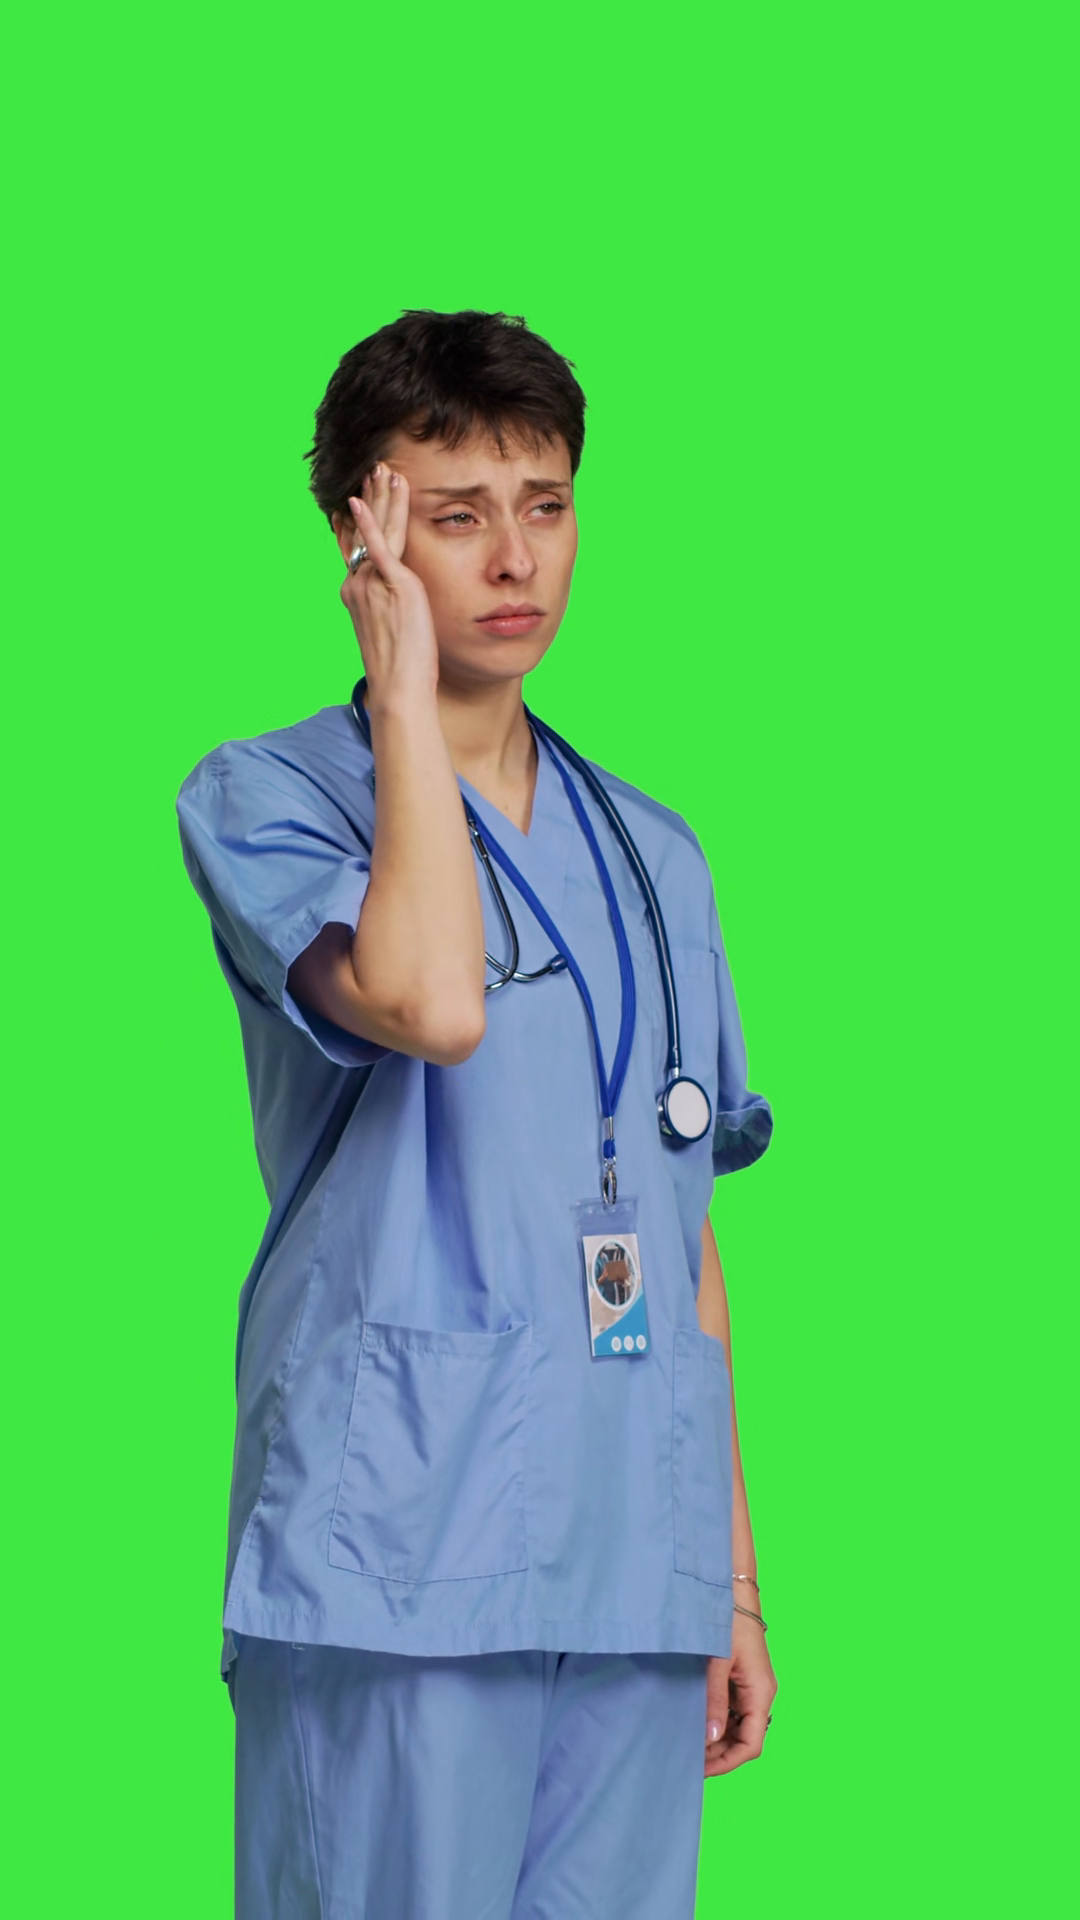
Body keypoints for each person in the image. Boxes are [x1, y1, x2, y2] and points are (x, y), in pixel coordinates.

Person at [175, 308, 777, 1919]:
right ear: (361, 533)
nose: (518, 559)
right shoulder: (273, 798)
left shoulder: (655, 854)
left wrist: (728, 1579)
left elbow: (683, 1226)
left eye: (547, 505)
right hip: (398, 1550)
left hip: (631, 1555)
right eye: (456, 516)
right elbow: (432, 1003)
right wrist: (401, 692)